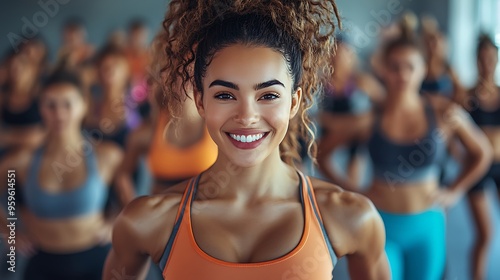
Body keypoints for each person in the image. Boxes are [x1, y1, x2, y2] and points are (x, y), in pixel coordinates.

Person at [103, 1, 389, 280]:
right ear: (201, 102)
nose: (247, 116)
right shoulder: (146, 222)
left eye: (268, 96)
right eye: (225, 95)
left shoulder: (351, 217)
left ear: (293, 103)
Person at [319, 35, 492, 279]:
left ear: (422, 69)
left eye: (410, 67)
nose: (402, 74)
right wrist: (350, 190)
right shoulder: (369, 118)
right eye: (394, 67)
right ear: (384, 70)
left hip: (427, 223)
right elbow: (322, 153)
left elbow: (482, 152)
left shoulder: (443, 112)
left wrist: (455, 191)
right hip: (381, 225)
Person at [0, 71, 124, 280]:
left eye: (67, 104)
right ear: (40, 107)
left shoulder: (107, 155)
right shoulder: (21, 161)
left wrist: (114, 223)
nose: (59, 113)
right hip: (42, 264)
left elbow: (131, 202)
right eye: (50, 105)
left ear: (84, 105)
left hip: (96, 262)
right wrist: (9, 232)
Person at [317, 38, 383, 189]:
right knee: (319, 154)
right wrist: (331, 122)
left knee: (361, 135)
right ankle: (340, 187)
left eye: (343, 54)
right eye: (334, 54)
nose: (338, 59)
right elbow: (314, 115)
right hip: (329, 135)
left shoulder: (361, 81)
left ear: (352, 57)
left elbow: (387, 103)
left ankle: (351, 188)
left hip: (355, 136)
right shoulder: (320, 83)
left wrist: (367, 119)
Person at [464, 34, 500, 280]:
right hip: (476, 168)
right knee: (485, 235)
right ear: (476, 61)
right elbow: (455, 134)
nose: (487, 63)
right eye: (482, 58)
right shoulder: (467, 97)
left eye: (491, 58)